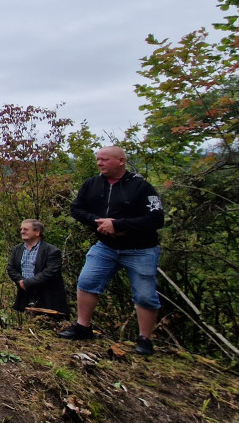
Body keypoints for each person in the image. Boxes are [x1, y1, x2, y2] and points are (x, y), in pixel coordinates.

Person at [60, 146, 164, 356]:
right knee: (87, 282)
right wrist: (96, 222)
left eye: (104, 160)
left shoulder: (141, 186)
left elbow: (156, 219)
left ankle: (145, 339)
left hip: (141, 249)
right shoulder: (92, 184)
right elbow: (76, 208)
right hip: (106, 247)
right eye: (98, 160)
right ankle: (83, 327)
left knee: (144, 295)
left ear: (121, 161)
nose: (99, 163)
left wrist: (118, 225)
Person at [6, 219, 69, 316]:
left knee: (48, 326)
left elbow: (51, 272)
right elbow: (11, 268)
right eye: (21, 229)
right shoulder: (17, 249)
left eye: (26, 229)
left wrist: (28, 283)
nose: (22, 231)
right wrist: (21, 281)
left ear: (37, 232)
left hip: (47, 297)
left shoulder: (52, 251)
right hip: (26, 295)